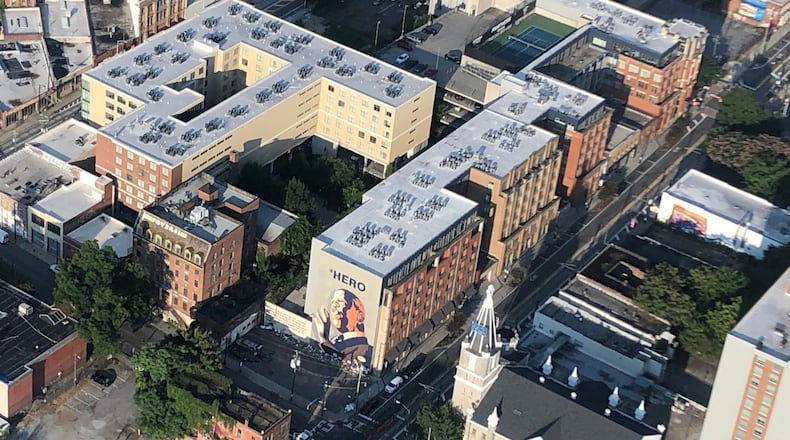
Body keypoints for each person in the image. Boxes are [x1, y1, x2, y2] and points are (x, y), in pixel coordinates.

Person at [314, 289, 372, 369]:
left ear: (360, 314)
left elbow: (342, 364)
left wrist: (323, 339)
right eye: (332, 303)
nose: (333, 307)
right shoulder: (334, 339)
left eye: (340, 302)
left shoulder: (364, 349)